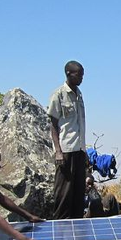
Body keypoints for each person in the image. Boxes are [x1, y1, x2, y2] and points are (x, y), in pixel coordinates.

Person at [48, 60, 86, 219]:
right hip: (66, 151)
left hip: (79, 151)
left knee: (78, 195)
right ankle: (61, 235)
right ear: (69, 74)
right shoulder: (59, 95)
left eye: (83, 75)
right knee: (64, 195)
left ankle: (78, 236)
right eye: (79, 74)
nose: (82, 78)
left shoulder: (79, 95)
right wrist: (58, 151)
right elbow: (53, 124)